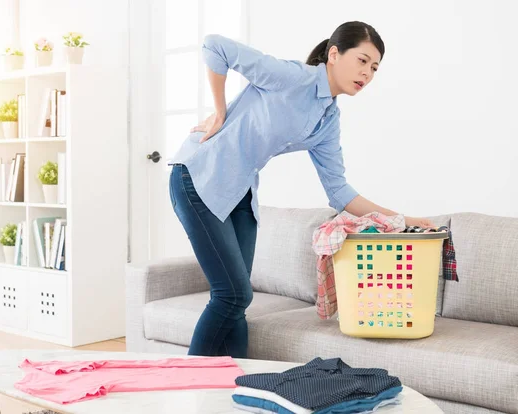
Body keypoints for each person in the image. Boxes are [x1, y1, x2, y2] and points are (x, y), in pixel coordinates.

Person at [167, 21, 435, 358]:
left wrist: (404, 219)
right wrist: (220, 111)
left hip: (240, 192)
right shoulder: (292, 77)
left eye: (375, 68)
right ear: (334, 54)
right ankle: (186, 391)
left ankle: (234, 390)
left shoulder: (328, 120)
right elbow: (214, 45)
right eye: (363, 60)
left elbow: (340, 193)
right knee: (232, 294)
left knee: (236, 301)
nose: (367, 73)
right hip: (199, 176)